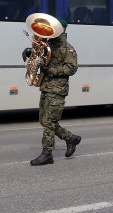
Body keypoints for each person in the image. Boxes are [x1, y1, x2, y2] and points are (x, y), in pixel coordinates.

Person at [26, 20, 81, 165]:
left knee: (49, 122)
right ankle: (70, 138)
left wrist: (50, 70)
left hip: (57, 90)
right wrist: (30, 55)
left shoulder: (67, 49)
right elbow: (39, 61)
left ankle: (47, 154)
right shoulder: (47, 45)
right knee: (44, 121)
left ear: (62, 30)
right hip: (45, 87)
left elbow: (71, 69)